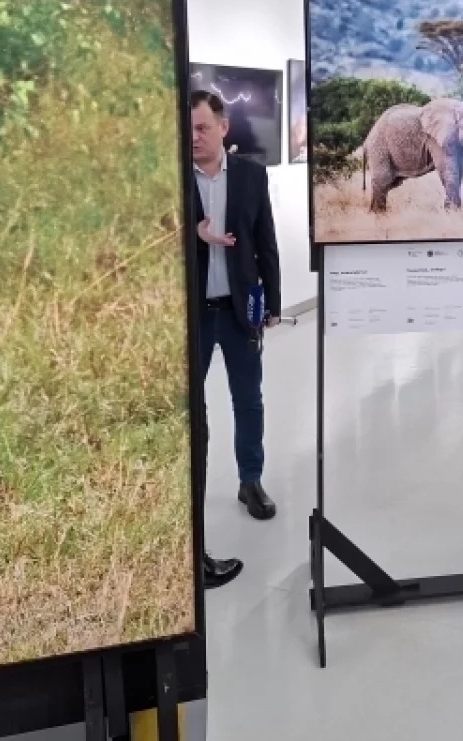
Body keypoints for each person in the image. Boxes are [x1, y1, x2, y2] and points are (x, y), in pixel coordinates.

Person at [190, 90, 283, 585]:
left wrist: (272, 303)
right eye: (188, 129)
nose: (194, 137)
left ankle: (251, 481)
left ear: (224, 127)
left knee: (249, 400)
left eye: (203, 127)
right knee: (192, 412)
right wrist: (197, 237)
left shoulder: (250, 174)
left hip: (240, 310)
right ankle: (189, 506)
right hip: (194, 317)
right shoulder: (175, 177)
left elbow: (265, 237)